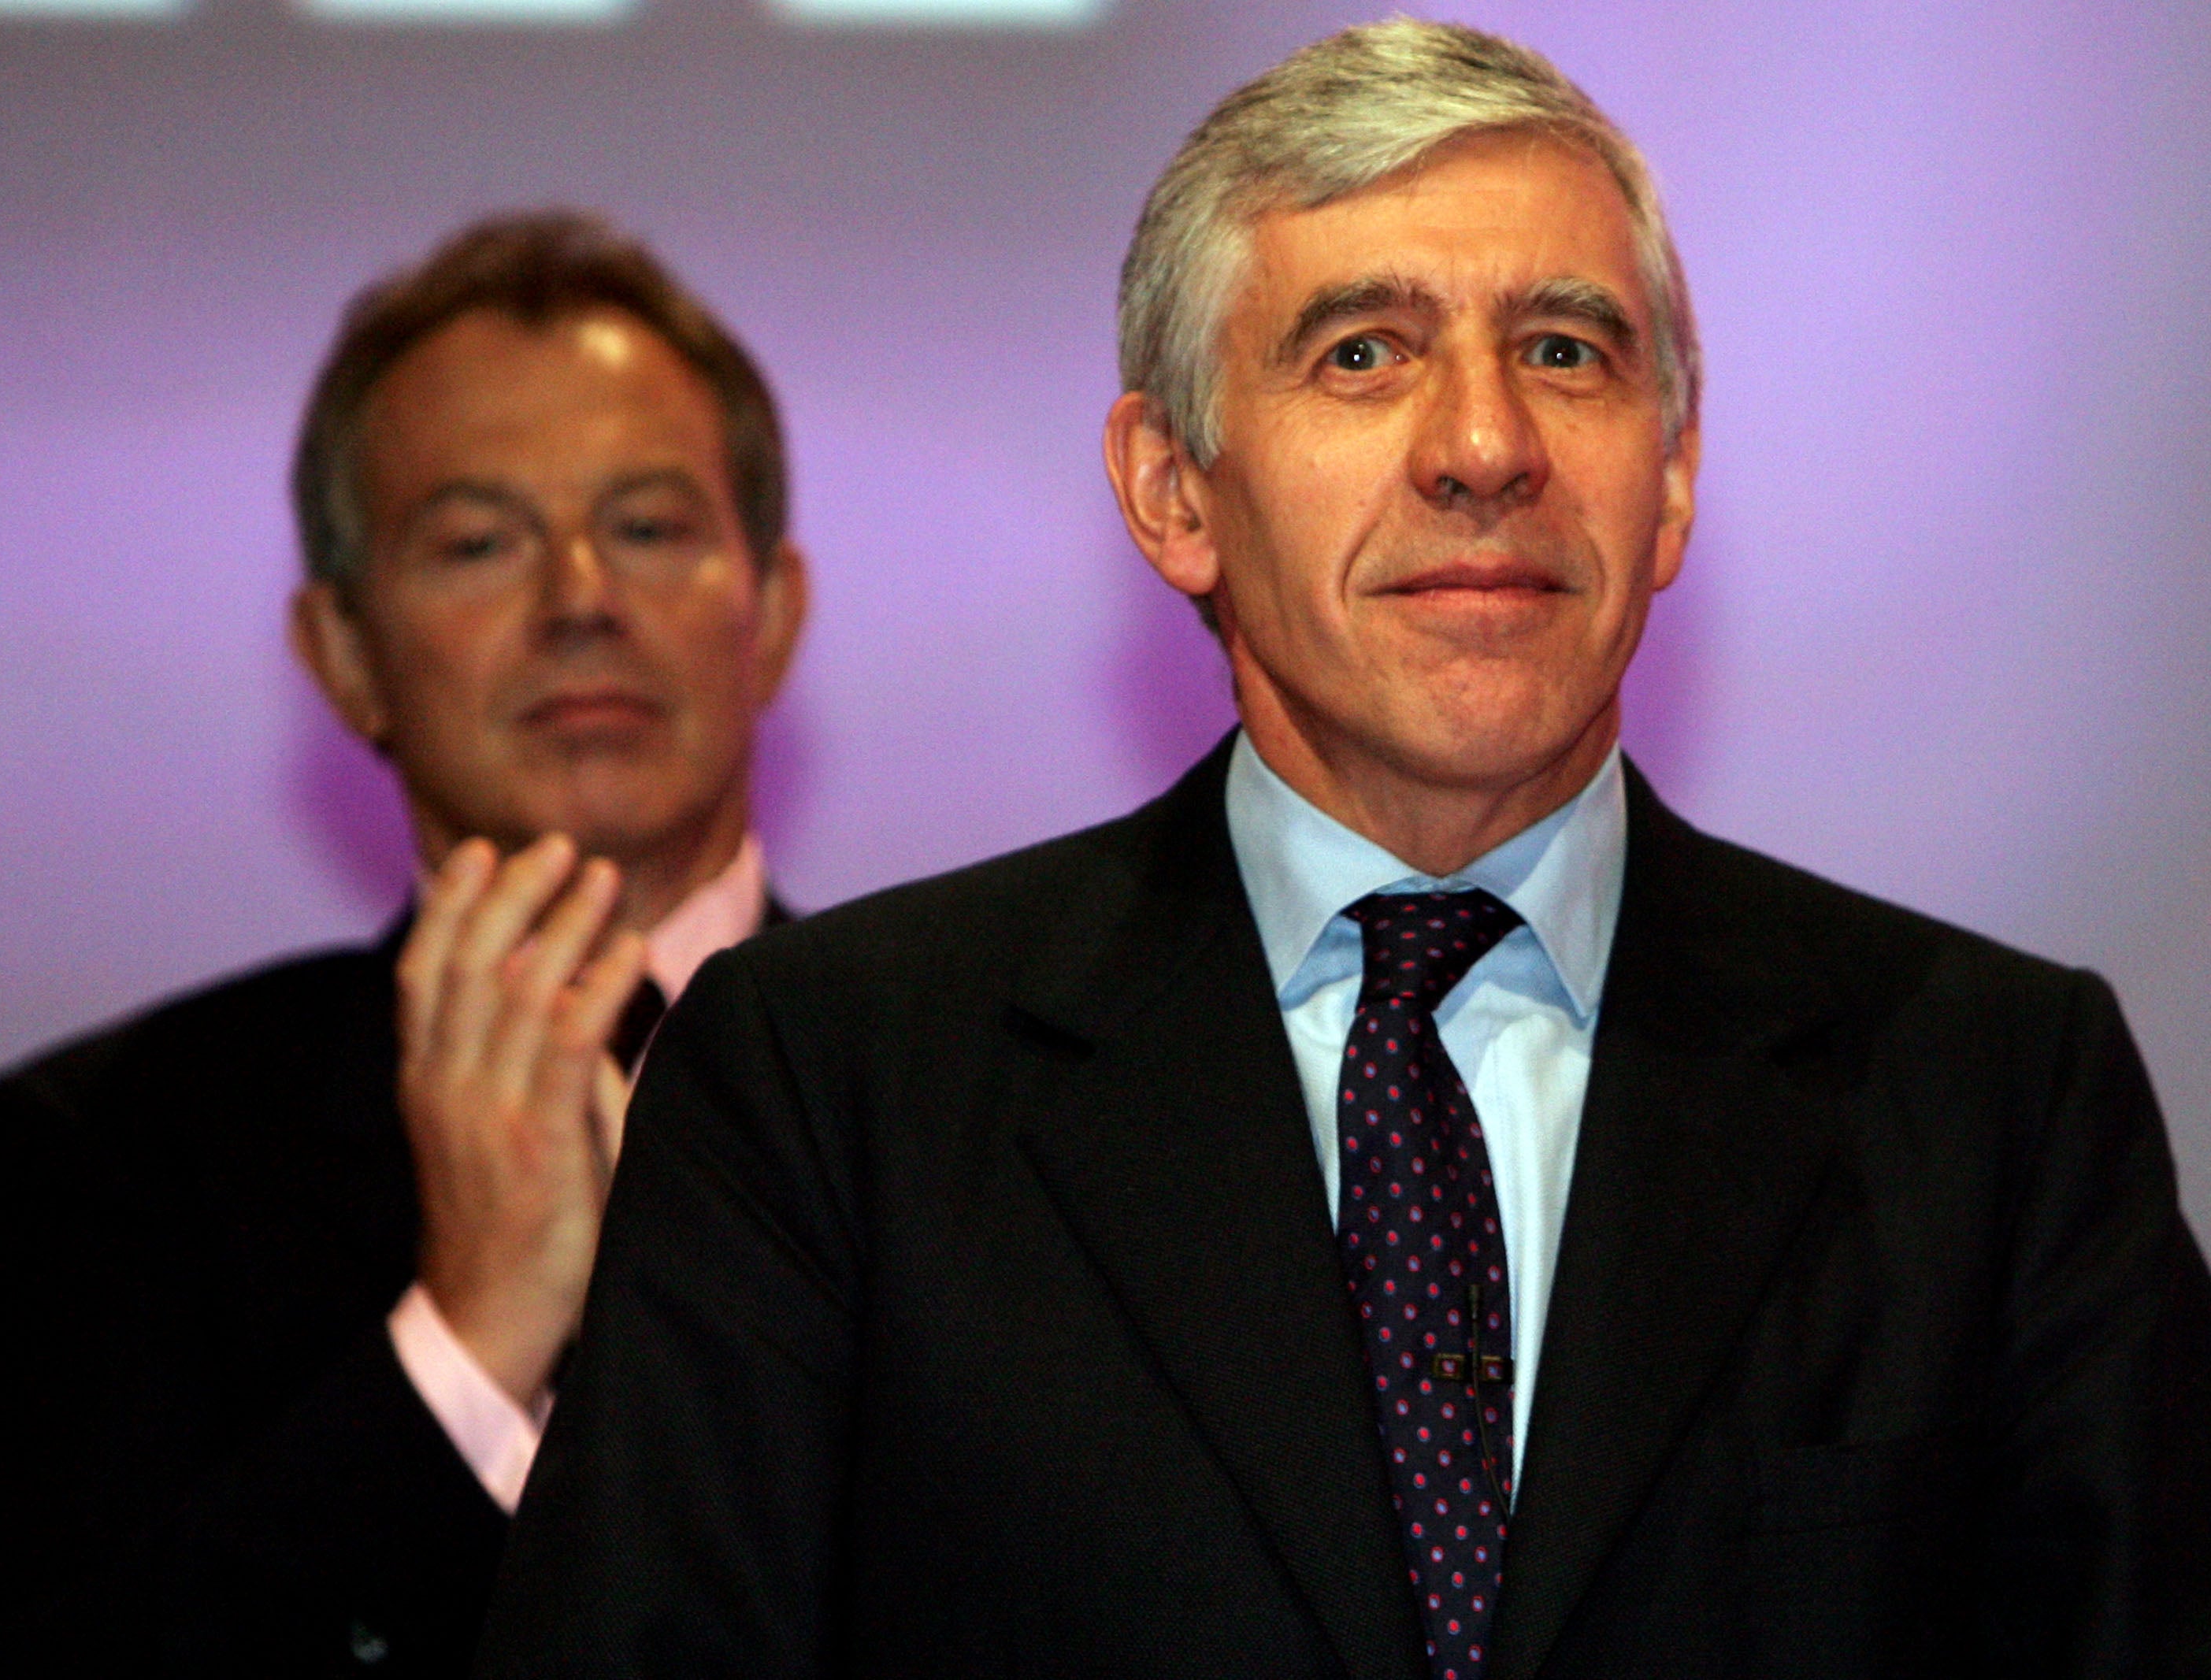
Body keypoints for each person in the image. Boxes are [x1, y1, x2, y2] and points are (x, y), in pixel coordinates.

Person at [476, 22, 2211, 1680]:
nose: (1483, 449)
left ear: (1670, 480)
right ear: (1173, 490)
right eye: (1363, 352)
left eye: (1565, 349)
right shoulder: (827, 1079)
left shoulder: (1996, 1097)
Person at [0, 211, 809, 1678]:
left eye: (648, 525)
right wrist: (467, 1338)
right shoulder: (121, 1150)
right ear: (341, 653)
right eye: (477, 541)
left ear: (772, 614)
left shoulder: (970, 1091)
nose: (581, 598)